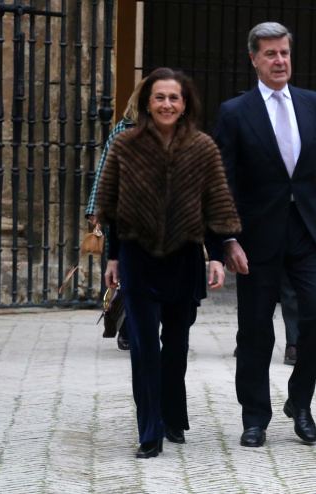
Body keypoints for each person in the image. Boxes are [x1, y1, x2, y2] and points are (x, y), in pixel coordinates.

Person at [95, 67, 241, 458]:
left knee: (175, 345)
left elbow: (216, 205)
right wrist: (112, 258)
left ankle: (174, 415)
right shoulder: (124, 144)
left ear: (185, 103)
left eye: (174, 97)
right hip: (137, 257)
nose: (166, 104)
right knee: (143, 346)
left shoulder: (203, 147)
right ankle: (150, 430)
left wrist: (217, 257)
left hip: (184, 259)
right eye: (159, 97)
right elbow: (109, 206)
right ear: (147, 102)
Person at [213, 22, 316, 447]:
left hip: (306, 232)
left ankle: (300, 402)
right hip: (255, 239)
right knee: (254, 331)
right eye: (270, 54)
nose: (279, 60)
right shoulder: (234, 112)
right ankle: (255, 418)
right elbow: (223, 182)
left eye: (284, 52)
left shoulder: (315, 104)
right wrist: (226, 240)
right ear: (254, 59)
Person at [85, 79, 145, 351]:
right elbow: (105, 170)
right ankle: (127, 327)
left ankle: (139, 327)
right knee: (127, 274)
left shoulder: (177, 132)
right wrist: (96, 208)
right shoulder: (124, 129)